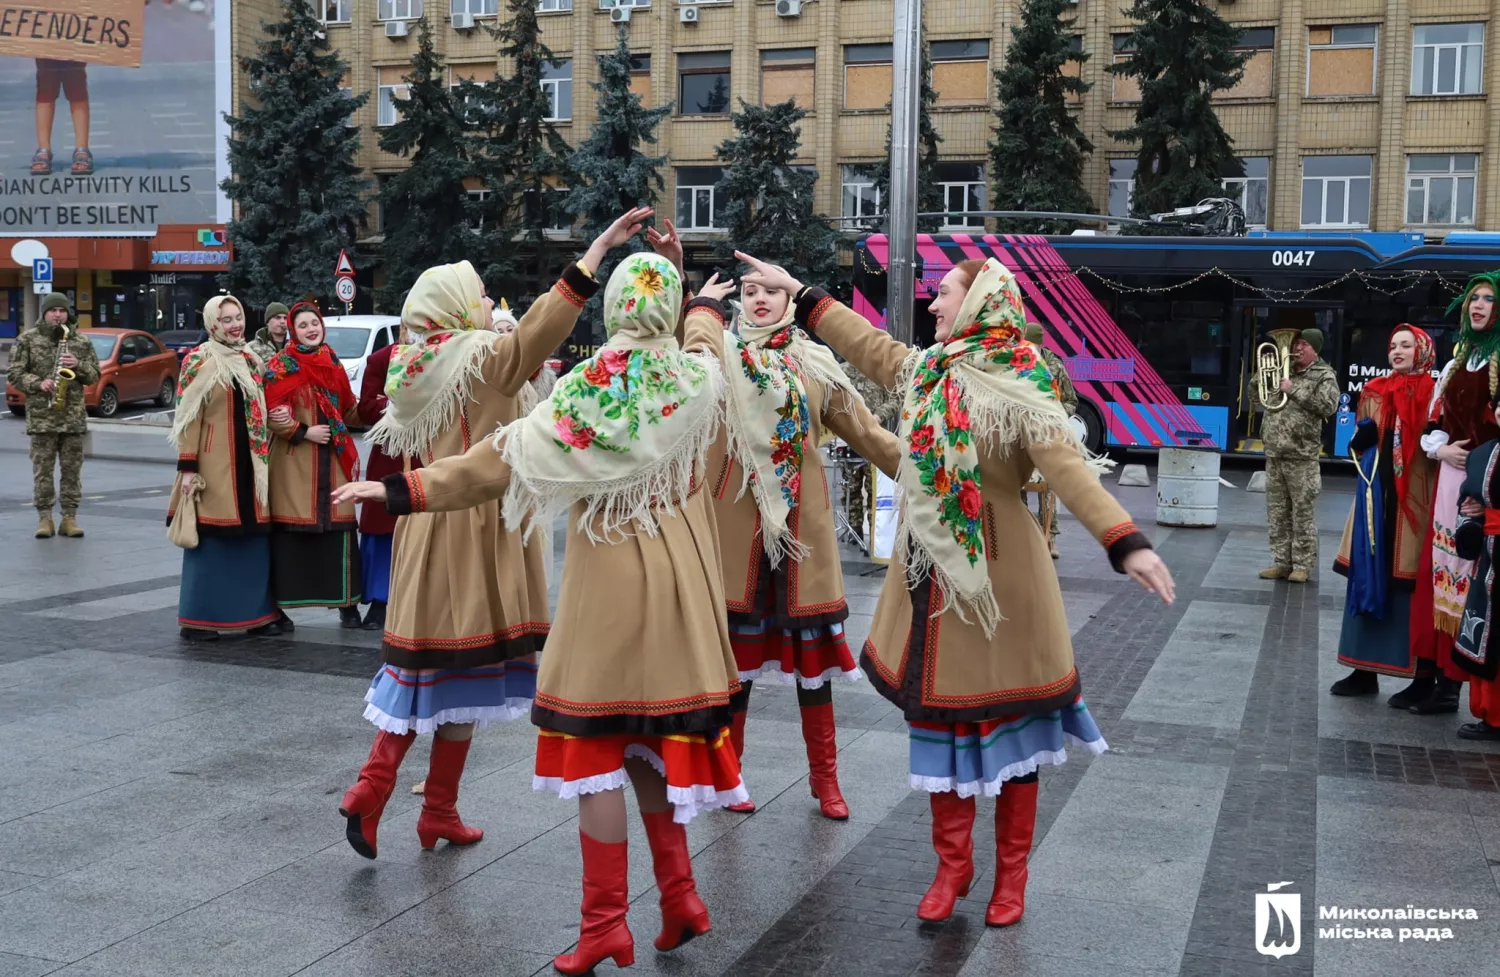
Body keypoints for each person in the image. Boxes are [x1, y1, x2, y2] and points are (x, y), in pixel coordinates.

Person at [335, 251, 746, 974]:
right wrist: (702, 305)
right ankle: (681, 897)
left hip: (609, 598)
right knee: (652, 746)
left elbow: (500, 459)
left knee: (595, 760)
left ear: (614, 307)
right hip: (685, 599)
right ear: (670, 312)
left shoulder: (589, 390)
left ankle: (605, 925)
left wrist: (397, 491)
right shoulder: (698, 378)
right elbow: (706, 342)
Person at [735, 252, 1174, 928]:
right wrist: (803, 293)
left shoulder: (1021, 378)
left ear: (978, 302)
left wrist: (1126, 541)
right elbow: (870, 345)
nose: (933, 306)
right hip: (931, 582)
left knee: (1013, 728)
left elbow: (1066, 466)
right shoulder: (930, 370)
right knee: (939, 718)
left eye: (944, 295)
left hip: (1002, 580)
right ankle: (952, 865)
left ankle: (1012, 878)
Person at [336, 210, 646, 861]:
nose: (486, 303)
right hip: (478, 526)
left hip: (428, 523)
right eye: (476, 294)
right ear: (452, 305)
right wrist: (592, 255)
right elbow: (538, 331)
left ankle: (425, 805)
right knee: (439, 669)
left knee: (440, 670)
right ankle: (378, 789)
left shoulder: (415, 362)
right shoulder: (481, 360)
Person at [693, 247, 899, 819]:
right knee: (736, 671)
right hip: (737, 539)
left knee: (815, 670)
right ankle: (729, 777)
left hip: (801, 541)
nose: (759, 299)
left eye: (772, 291)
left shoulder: (815, 364)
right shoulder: (715, 360)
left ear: (790, 299)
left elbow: (868, 433)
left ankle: (826, 782)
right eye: (750, 291)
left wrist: (929, 473)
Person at [1328, 326, 1437, 695]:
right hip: (1375, 504)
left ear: (1422, 350)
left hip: (1416, 507)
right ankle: (1362, 671)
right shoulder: (1373, 391)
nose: (1398, 351)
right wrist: (1360, 442)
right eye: (1393, 345)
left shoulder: (1434, 394)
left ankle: (1421, 678)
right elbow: (1362, 449)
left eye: (1406, 345)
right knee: (1365, 576)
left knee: (1411, 587)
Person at [168, 296, 279, 641]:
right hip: (215, 467)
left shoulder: (251, 359)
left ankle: (256, 614)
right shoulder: (198, 360)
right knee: (213, 540)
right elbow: (187, 418)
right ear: (213, 323)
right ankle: (199, 619)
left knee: (252, 539)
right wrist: (188, 468)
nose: (234, 325)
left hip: (254, 465)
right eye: (226, 319)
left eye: (238, 318)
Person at [1415, 273, 1500, 714]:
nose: (1479, 305)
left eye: (1489, 299)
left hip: (1485, 488)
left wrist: (1483, 481)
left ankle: (1463, 686)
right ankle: (1444, 681)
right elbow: (1432, 429)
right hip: (1451, 481)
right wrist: (1442, 447)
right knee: (1446, 579)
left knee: (1475, 585)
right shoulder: (1454, 364)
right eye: (1473, 299)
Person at [264, 303, 364, 627]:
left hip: (333, 462)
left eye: (314, 323)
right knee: (292, 536)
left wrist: (378, 408)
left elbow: (347, 406)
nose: (310, 329)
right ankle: (279, 609)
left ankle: (347, 605)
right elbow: (272, 413)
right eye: (303, 324)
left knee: (340, 529)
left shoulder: (331, 360)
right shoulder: (280, 365)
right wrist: (303, 431)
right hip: (296, 465)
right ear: (293, 331)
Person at [7, 292, 101, 540]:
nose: (58, 315)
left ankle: (69, 518)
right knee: (43, 471)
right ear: (44, 313)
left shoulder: (80, 342)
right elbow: (14, 373)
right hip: (42, 418)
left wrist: (77, 365)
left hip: (72, 419)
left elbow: (94, 375)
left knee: (72, 472)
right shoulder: (27, 340)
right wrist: (39, 383)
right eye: (53, 310)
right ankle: (45, 518)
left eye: (62, 310)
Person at [1258, 329, 1340, 583]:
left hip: (1301, 456)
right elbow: (1265, 400)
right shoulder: (1286, 370)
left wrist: (1293, 389)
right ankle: (1281, 562)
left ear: (1315, 349)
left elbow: (1328, 406)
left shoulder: (1324, 375)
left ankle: (1302, 565)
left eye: (1303, 345)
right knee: (1277, 512)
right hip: (1275, 453)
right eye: (1296, 344)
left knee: (1302, 513)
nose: (1297, 349)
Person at [353, 337, 418, 632]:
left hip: (432, 451)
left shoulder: (447, 354)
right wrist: (393, 403)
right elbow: (366, 408)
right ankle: (380, 601)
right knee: (383, 524)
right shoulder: (381, 359)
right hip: (391, 453)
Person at [1452, 394, 1500, 741]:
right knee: (1488, 632)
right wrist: (1471, 525)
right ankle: (1492, 716)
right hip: (1491, 557)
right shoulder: (1483, 454)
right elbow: (1467, 504)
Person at [1024, 322, 1077, 559]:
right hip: (1021, 436)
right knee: (1017, 487)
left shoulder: (1054, 366)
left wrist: (1054, 415)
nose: (1028, 349)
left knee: (1048, 489)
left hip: (1046, 436)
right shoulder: (1015, 362)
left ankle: (1050, 538)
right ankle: (1025, 536)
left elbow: (1071, 401)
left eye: (1031, 345)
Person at [32, 58, 91, 176]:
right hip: (46, 44)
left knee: (76, 82)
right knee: (45, 85)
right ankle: (43, 149)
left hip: (73, 44)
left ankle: (82, 148)